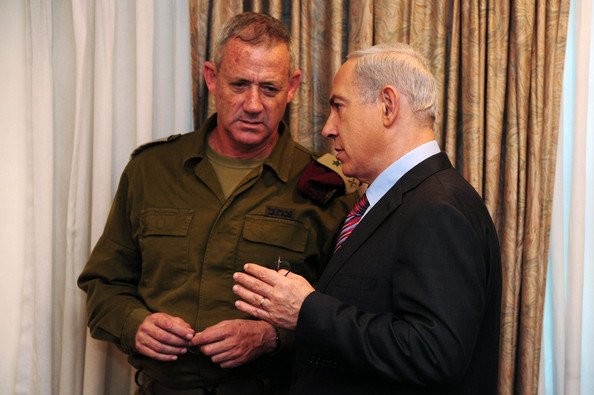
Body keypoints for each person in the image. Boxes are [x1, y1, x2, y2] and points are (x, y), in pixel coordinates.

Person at [77, 12, 356, 394]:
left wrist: (270, 337)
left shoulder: (326, 190)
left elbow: (348, 316)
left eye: (269, 89)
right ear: (211, 78)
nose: (254, 104)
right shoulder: (152, 171)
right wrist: (134, 323)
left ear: (292, 87)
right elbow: (103, 284)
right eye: (239, 84)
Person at [233, 43, 502, 395]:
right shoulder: (392, 200)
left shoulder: (438, 209)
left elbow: (434, 354)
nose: (328, 129)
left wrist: (308, 310)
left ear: (388, 106)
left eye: (338, 107)